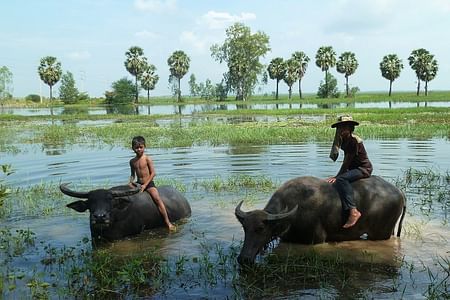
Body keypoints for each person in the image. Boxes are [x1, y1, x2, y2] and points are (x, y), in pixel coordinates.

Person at [326, 115, 373, 228]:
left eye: (344, 127)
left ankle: (353, 211)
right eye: (340, 127)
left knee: (341, 179)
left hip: (363, 168)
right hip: (353, 168)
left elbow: (347, 161)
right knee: (339, 179)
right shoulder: (343, 140)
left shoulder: (353, 141)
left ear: (350, 128)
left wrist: (337, 176)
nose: (341, 130)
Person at [129, 136, 176, 231]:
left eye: (140, 147)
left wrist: (145, 185)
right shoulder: (132, 161)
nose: (138, 149)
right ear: (133, 148)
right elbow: (132, 175)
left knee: (157, 199)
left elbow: (153, 173)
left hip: (149, 183)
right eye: (136, 147)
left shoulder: (147, 159)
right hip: (139, 183)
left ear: (144, 147)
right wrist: (130, 183)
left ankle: (168, 222)